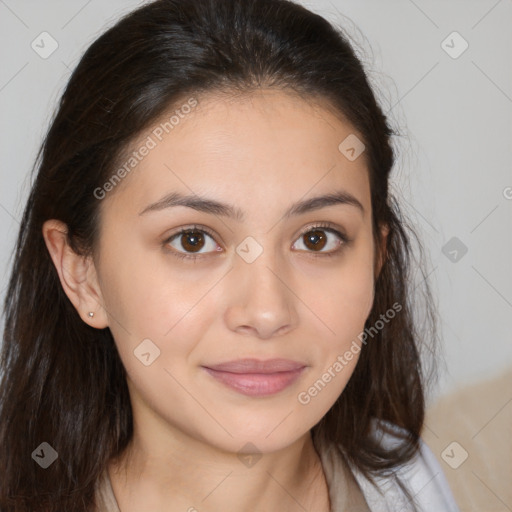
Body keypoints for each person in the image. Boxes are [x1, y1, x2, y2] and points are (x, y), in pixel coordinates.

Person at [0, 0, 460, 510]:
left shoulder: (405, 478)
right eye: (193, 240)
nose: (266, 313)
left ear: (376, 257)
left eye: (316, 238)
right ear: (81, 273)